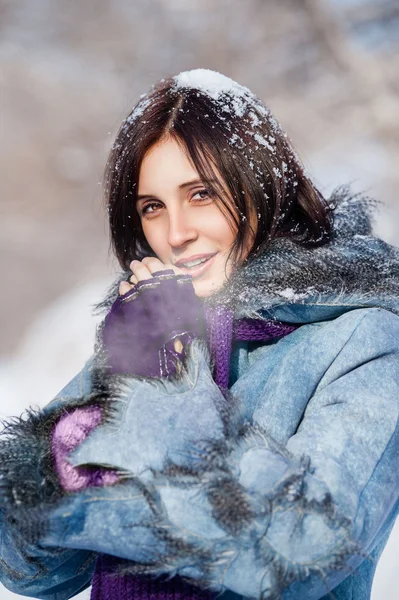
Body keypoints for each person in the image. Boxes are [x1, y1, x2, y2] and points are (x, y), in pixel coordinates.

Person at [0, 68, 398, 600]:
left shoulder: (364, 338)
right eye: (152, 207)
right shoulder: (153, 330)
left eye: (201, 194)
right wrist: (77, 443)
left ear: (260, 182)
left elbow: (302, 555)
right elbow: (28, 569)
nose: (176, 232)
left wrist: (163, 399)